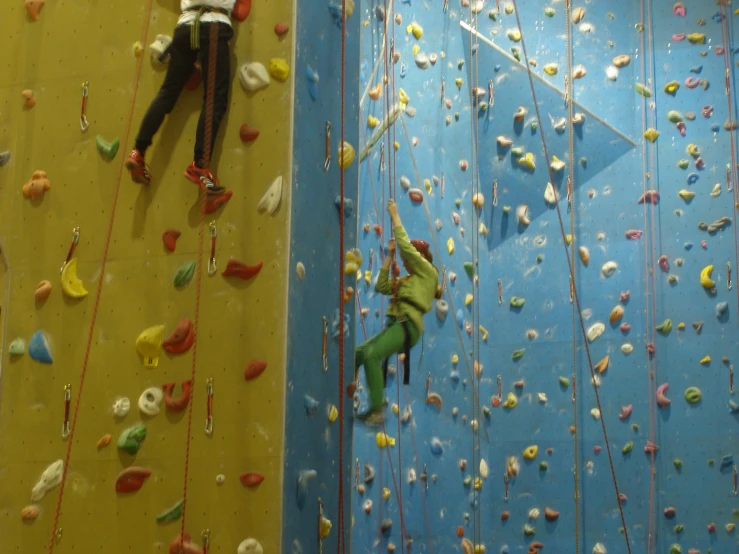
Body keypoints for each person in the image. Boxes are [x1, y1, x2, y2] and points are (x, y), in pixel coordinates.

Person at [125, 0, 244, 195]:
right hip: (214, 25)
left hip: (185, 27)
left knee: (167, 93)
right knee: (215, 99)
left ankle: (137, 151)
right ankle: (199, 165)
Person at [354, 199, 442, 425]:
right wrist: (390, 258)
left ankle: (376, 410)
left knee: (372, 355)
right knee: (359, 353)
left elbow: (405, 245)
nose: (405, 262)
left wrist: (394, 215)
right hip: (397, 324)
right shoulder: (408, 281)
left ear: (420, 257)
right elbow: (381, 286)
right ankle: (349, 386)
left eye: (406, 259)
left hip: (408, 326)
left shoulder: (428, 273)